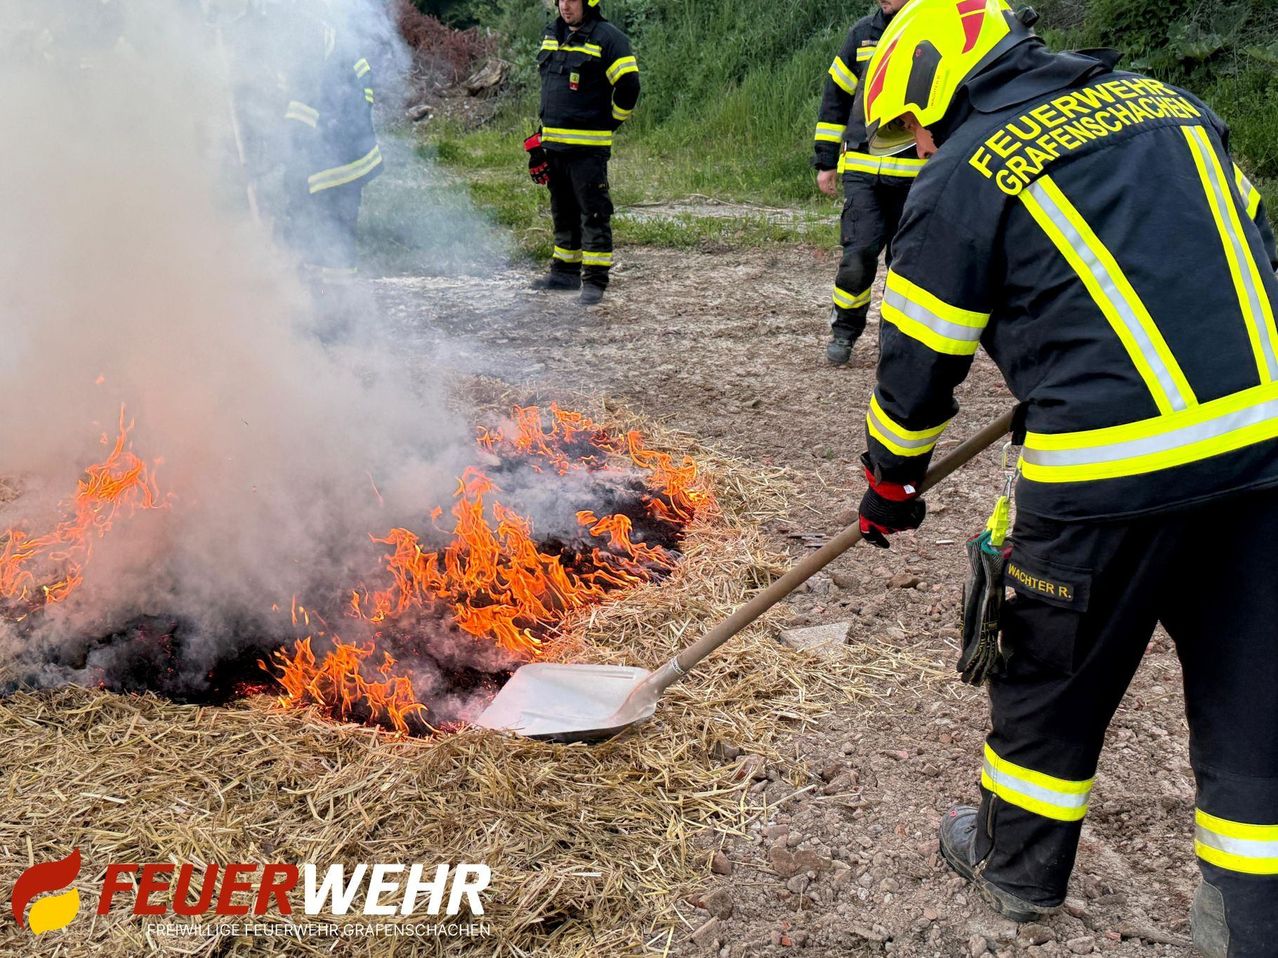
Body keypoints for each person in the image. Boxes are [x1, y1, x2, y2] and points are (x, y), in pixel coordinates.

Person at [852, 1, 1278, 953]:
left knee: (1049, 673)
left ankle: (1015, 867)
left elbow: (919, 358)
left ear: (936, 85)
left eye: (912, 126)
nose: (917, 147)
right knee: (1254, 690)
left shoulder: (966, 173)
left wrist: (891, 485)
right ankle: (1251, 917)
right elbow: (1251, 245)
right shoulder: (1171, 105)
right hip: (1265, 450)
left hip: (1106, 476)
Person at [813, 0, 924, 366]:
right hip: (863, 172)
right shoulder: (862, 34)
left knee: (906, 266)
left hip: (917, 177)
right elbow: (836, 97)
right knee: (857, 257)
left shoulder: (932, 31)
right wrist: (826, 160)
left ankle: (896, 344)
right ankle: (844, 332)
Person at [530, 0, 639, 306]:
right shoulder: (552, 34)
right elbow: (552, 88)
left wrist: (612, 121)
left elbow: (629, 85)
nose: (565, 6)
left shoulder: (609, 38)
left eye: (573, 0)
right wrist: (539, 143)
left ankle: (594, 281)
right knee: (562, 211)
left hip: (587, 149)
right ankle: (565, 272)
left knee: (593, 213)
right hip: (554, 145)